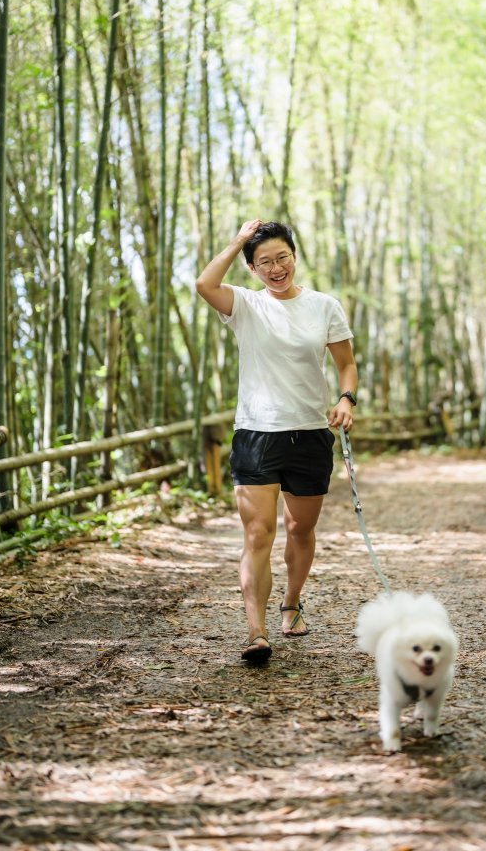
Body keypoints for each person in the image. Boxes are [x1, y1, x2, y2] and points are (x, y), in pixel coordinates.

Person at [195, 219, 358, 664]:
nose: (275, 267)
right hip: (255, 434)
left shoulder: (324, 306)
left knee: (299, 529)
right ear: (251, 268)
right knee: (258, 533)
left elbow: (346, 365)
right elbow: (204, 283)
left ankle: (291, 602)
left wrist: (347, 399)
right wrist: (235, 241)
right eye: (263, 261)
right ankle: (256, 632)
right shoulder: (244, 305)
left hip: (308, 434)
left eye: (281, 257)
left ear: (294, 256)